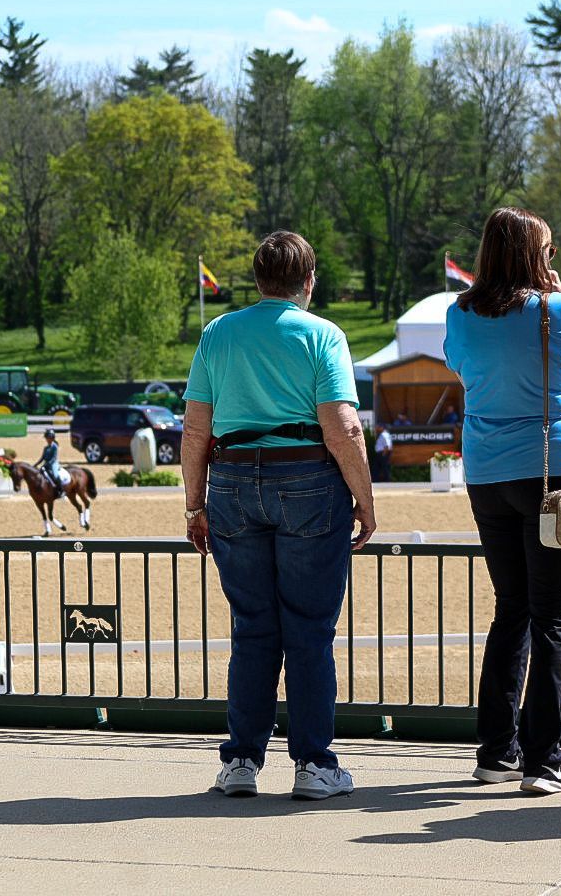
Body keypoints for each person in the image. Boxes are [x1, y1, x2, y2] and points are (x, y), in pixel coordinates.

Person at [181, 230, 375, 801]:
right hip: (310, 480)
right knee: (310, 632)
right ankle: (314, 765)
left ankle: (241, 760)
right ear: (308, 282)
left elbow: (196, 430)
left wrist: (195, 503)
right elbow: (343, 428)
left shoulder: (218, 333)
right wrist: (364, 501)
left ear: (258, 279)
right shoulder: (323, 336)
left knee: (253, 628)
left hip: (234, 479)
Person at [443, 206, 561, 796]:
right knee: (552, 618)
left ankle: (495, 752)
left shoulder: (457, 313)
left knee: (510, 608)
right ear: (538, 257)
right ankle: (544, 760)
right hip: (553, 468)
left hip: (487, 472)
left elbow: (466, 372)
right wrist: (554, 299)